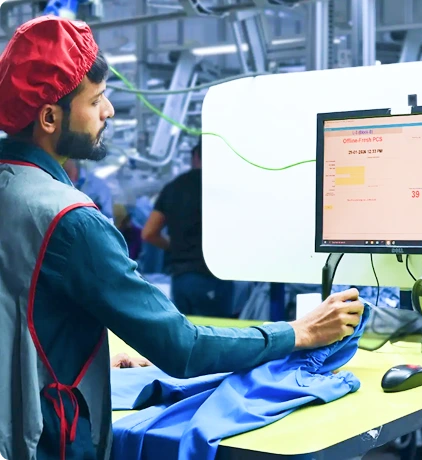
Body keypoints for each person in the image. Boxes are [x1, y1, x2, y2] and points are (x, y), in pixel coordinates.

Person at [0, 16, 364, 460]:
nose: (108, 111)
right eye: (95, 101)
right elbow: (183, 349)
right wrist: (299, 332)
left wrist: (81, 354)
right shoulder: (71, 220)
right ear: (50, 117)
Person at [142, 139, 234, 317]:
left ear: (195, 156)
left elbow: (149, 233)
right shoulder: (224, 188)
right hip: (212, 277)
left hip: (181, 279)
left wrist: (176, 246)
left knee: (185, 332)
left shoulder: (174, 187)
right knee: (217, 332)